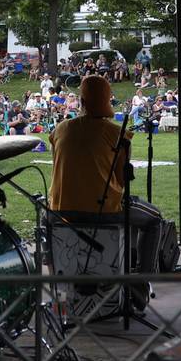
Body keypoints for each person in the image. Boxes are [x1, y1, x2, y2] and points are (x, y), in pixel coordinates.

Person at [49, 75, 168, 298]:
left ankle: (64, 290)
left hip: (59, 210)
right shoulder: (116, 133)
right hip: (101, 210)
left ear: (82, 102)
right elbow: (122, 181)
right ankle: (140, 288)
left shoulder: (60, 129)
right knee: (154, 220)